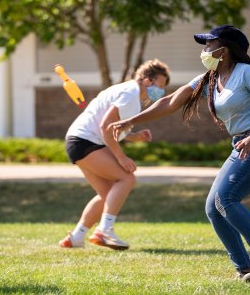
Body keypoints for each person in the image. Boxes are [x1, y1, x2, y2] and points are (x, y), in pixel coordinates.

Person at [110, 25, 250, 281]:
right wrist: (131, 121)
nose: (204, 50)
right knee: (214, 208)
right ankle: (245, 268)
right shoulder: (209, 79)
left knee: (226, 199)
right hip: (241, 143)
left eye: (208, 45)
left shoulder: (247, 73)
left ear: (223, 50)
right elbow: (170, 102)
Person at [59, 59, 170, 250]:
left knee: (107, 194)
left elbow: (115, 130)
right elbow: (105, 127)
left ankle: (76, 237)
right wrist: (121, 157)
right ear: (147, 80)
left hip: (78, 142)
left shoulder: (130, 95)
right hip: (85, 141)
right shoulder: (130, 93)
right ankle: (104, 231)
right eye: (159, 85)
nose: (160, 90)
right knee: (127, 179)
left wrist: (134, 137)